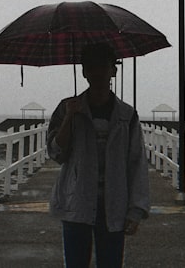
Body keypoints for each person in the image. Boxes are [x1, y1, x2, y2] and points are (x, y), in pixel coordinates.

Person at [46, 42, 150, 268]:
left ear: (113, 70)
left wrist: (136, 210)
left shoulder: (127, 114)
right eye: (91, 66)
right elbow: (56, 152)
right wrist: (69, 118)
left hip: (114, 204)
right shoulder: (67, 108)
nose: (98, 72)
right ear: (83, 72)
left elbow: (136, 162)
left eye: (103, 66)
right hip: (77, 202)